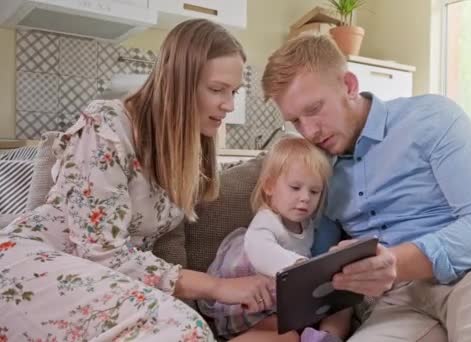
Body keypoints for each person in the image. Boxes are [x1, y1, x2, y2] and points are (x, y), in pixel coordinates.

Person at [261, 34, 471, 341]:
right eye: (295, 121)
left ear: (349, 85)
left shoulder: (433, 117)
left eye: (314, 109)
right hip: (395, 303)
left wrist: (395, 263)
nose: (308, 131)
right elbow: (318, 263)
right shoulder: (314, 169)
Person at [0, 19, 274, 341]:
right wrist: (217, 286)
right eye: (217, 89)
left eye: (233, 91)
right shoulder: (107, 125)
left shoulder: (181, 152)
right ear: (179, 83)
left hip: (103, 285)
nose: (228, 105)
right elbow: (101, 252)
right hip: (31, 266)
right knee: (185, 330)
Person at [200, 135, 351, 342]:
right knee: (287, 337)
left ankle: (326, 338)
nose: (305, 198)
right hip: (247, 305)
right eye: (295, 188)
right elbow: (261, 251)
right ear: (269, 187)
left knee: (343, 304)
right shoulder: (267, 220)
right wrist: (300, 267)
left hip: (281, 301)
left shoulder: (306, 224)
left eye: (314, 191)